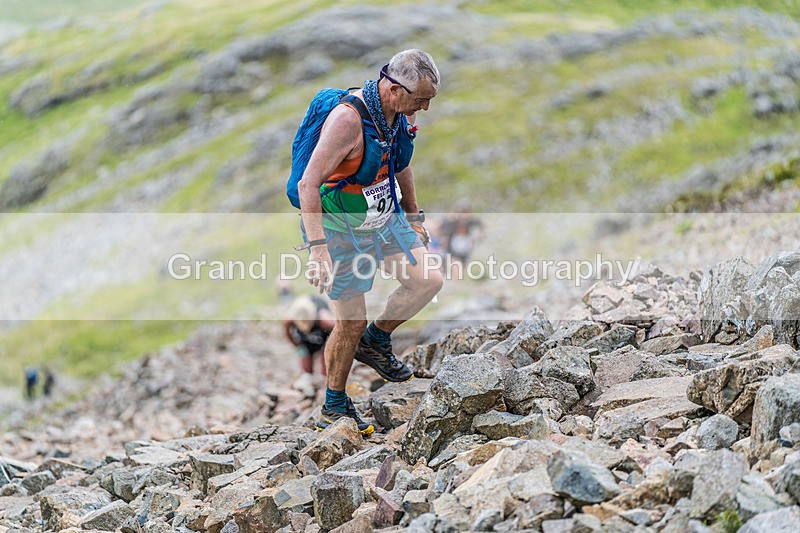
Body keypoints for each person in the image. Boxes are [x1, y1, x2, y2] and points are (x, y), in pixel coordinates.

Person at [298, 49, 443, 435]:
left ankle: (375, 341)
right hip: (339, 226)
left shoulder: (401, 113)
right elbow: (307, 184)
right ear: (394, 89)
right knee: (350, 322)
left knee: (428, 279)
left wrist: (414, 218)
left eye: (429, 100)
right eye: (421, 100)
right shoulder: (347, 121)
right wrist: (318, 250)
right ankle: (334, 403)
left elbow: (402, 163)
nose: (425, 109)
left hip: (382, 215)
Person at [284, 295, 334, 375]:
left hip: (324, 337)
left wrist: (329, 350)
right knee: (306, 367)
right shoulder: (290, 320)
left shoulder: (325, 320)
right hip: (305, 340)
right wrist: (298, 347)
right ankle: (308, 379)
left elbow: (338, 333)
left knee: (327, 365)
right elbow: (287, 334)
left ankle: (327, 380)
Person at [440, 201, 483, 277]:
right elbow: (444, 240)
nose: (463, 215)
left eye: (466, 212)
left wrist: (478, 237)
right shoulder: (450, 223)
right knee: (455, 267)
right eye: (461, 212)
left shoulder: (473, 223)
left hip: (467, 254)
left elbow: (484, 227)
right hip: (452, 254)